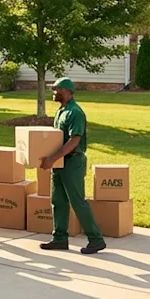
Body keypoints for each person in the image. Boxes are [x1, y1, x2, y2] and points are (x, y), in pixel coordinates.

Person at [39, 78, 106, 254]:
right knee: (58, 201)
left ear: (67, 91)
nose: (54, 92)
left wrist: (52, 158)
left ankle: (96, 239)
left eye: (57, 89)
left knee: (77, 201)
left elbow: (74, 140)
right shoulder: (61, 111)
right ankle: (60, 238)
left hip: (72, 162)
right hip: (60, 162)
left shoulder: (75, 112)